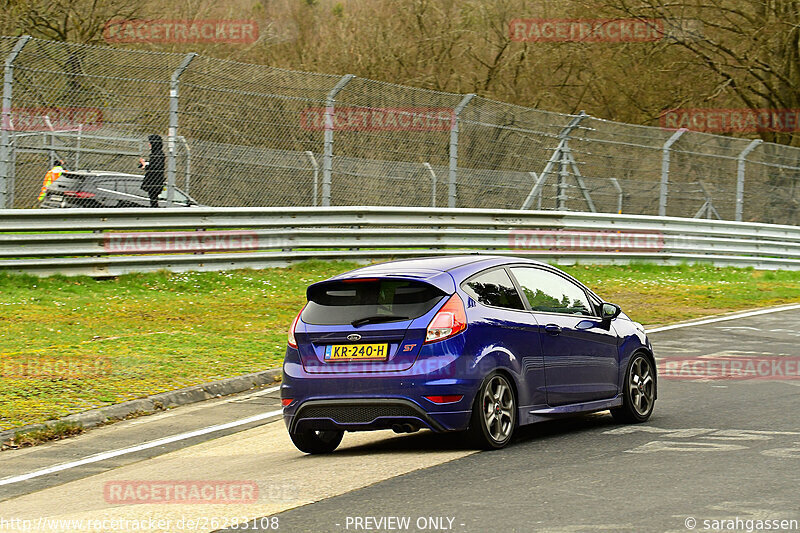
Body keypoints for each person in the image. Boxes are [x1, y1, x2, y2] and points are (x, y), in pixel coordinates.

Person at [139, 134, 165, 208]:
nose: (149, 144)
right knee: (153, 199)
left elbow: (156, 167)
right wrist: (145, 164)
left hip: (155, 181)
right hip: (154, 180)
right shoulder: (155, 153)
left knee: (153, 199)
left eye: (150, 143)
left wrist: (145, 165)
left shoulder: (158, 154)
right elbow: (154, 164)